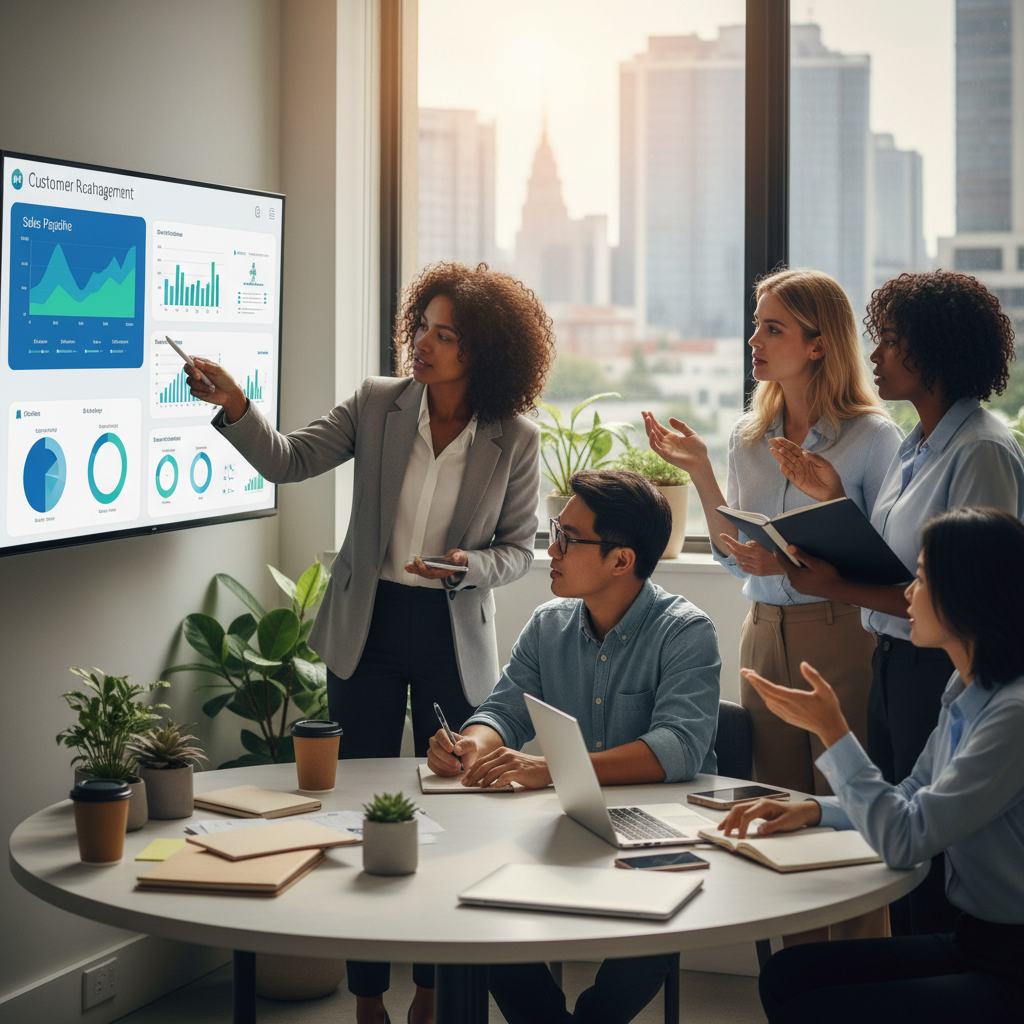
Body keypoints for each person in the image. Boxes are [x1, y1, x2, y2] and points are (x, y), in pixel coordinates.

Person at [186, 261, 554, 1024]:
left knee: (453, 813)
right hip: (369, 627)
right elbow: (290, 459)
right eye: (422, 326)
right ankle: (365, 995)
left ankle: (434, 986)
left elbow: (521, 551)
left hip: (453, 631)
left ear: (484, 353)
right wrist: (237, 406)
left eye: (445, 335)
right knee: (361, 810)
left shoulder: (515, 439)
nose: (423, 343)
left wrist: (466, 566)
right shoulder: (378, 402)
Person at [644, 268, 902, 943]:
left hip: (842, 634)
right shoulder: (746, 437)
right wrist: (700, 470)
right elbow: (734, 553)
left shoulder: (873, 438)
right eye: (756, 325)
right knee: (776, 816)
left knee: (848, 814)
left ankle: (859, 980)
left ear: (819, 343)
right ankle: (798, 978)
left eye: (773, 328)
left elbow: (891, 561)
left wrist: (828, 502)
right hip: (763, 634)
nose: (753, 340)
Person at [768, 270, 1024, 936]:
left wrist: (834, 588)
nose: (875, 355)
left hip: (936, 667)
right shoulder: (916, 444)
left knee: (924, 868)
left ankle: (935, 975)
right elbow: (899, 563)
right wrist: (833, 501)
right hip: (891, 658)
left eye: (890, 340)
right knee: (897, 856)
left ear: (934, 350)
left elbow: (972, 589)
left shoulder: (982, 449)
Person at [427, 469, 721, 1024]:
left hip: (661, 836)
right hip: (569, 826)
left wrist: (553, 768)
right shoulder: (548, 625)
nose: (551, 549)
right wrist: (469, 744)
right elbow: (503, 711)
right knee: (472, 902)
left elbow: (679, 746)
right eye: (554, 531)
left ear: (621, 560)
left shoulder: (686, 632)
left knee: (650, 938)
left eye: (568, 537)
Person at [721, 507, 1024, 1023]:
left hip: (1011, 962)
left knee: (813, 1008)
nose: (908, 593)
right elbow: (909, 795)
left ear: (968, 594)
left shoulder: (1012, 716)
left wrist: (834, 733)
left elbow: (906, 838)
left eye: (922, 579)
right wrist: (816, 811)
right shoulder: (965, 690)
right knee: (786, 975)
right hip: (973, 939)